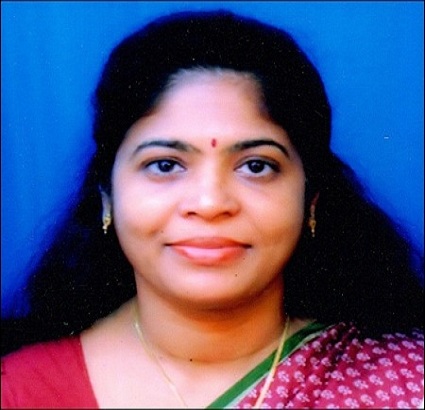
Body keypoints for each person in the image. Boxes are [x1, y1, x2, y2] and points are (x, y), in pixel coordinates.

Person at [1, 9, 423, 409]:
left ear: (310, 199)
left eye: (256, 166)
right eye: (165, 165)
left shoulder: (405, 382)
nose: (209, 203)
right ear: (107, 196)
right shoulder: (19, 391)